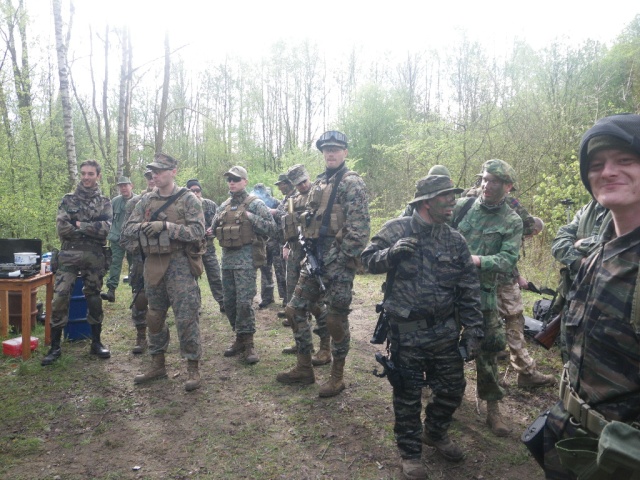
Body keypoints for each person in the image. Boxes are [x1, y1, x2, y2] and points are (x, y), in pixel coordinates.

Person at [362, 175, 484, 480]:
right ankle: (411, 453)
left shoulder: (455, 239)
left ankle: (435, 431)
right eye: (446, 196)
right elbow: (364, 261)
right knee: (408, 394)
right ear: (427, 201)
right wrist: (390, 255)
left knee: (453, 388)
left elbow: (469, 288)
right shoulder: (396, 229)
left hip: (444, 331)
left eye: (453, 196)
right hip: (407, 332)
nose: (452, 202)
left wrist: (473, 329)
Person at [542, 114, 640, 479]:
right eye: (596, 165)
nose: (608, 171)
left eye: (626, 160)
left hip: (624, 458)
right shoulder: (596, 256)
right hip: (575, 442)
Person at [276, 130, 370, 398]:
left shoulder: (352, 183)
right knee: (294, 310)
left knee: (335, 320)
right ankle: (304, 367)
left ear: (345, 152)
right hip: (313, 259)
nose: (330, 153)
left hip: (337, 264)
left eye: (336, 149)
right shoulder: (319, 183)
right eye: (326, 149)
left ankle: (336, 377)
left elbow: (360, 228)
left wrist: (342, 260)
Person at [122, 153, 206, 392]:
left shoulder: (188, 199)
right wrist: (144, 227)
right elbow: (127, 229)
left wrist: (168, 226)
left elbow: (198, 232)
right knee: (154, 316)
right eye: (153, 172)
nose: (155, 175)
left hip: (179, 263)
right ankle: (157, 364)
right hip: (154, 263)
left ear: (173, 172)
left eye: (160, 171)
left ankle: (192, 366)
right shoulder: (146, 201)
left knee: (186, 317)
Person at [452, 159, 523, 436]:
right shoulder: (463, 208)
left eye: (494, 181)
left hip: (484, 295)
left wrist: (478, 260)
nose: (486, 185)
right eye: (484, 179)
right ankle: (450, 397)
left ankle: (493, 409)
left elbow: (507, 260)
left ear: (508, 186)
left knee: (489, 349)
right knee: (446, 345)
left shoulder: (511, 220)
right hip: (450, 291)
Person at [42, 160, 113, 366]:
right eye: (83, 173)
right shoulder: (68, 200)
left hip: (94, 256)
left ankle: (96, 342)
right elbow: (62, 229)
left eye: (91, 173)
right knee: (60, 298)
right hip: (68, 256)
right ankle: (55, 347)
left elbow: (106, 228)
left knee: (94, 298)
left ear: (98, 176)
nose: (86, 177)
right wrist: (91, 226)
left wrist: (79, 224)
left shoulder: (104, 202)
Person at [213, 166, 277, 364]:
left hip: (247, 261)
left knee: (244, 303)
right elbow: (214, 227)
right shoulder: (223, 206)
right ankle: (239, 337)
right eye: (229, 179)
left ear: (245, 181)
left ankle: (248, 343)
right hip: (227, 261)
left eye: (236, 178)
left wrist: (251, 218)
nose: (232, 182)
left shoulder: (255, 204)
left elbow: (272, 228)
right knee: (229, 304)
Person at [279, 164, 330, 364]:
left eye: (304, 182)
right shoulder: (292, 201)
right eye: (297, 184)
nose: (302, 186)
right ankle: (302, 342)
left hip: (313, 257)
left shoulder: (319, 196)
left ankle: (325, 347)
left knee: (317, 303)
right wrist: (286, 245)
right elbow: (290, 225)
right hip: (294, 256)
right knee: (295, 302)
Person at [550, 199, 610, 361]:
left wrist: (580, 243)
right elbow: (559, 243)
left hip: (609, 305)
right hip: (574, 296)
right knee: (569, 353)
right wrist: (580, 262)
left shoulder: (629, 207)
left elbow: (616, 246)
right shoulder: (588, 209)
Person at [120, 169, 155, 354]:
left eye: (155, 176)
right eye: (149, 177)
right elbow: (125, 233)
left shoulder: (174, 200)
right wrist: (139, 249)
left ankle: (160, 336)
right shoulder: (135, 203)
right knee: (140, 297)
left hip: (166, 259)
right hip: (141, 259)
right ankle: (141, 336)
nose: (152, 180)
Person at [187, 178, 225, 313]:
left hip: (208, 247)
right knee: (192, 278)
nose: (196, 193)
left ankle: (222, 302)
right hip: (192, 249)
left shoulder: (210, 205)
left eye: (198, 190)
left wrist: (212, 231)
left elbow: (220, 222)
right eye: (192, 191)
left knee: (215, 275)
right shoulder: (185, 205)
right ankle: (195, 306)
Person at [100, 176, 135, 303]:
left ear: (131, 186)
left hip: (133, 239)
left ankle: (135, 293)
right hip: (117, 238)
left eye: (125, 185)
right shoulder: (114, 201)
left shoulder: (139, 200)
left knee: (134, 265)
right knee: (115, 263)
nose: (123, 188)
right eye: (121, 186)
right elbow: (108, 218)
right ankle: (111, 291)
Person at [251, 183, 281, 309]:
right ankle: (267, 297)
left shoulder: (275, 202)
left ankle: (285, 298)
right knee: (265, 269)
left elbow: (283, 217)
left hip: (276, 240)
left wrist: (274, 212)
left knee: (280, 270)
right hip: (262, 242)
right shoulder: (254, 205)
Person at [273, 173, 296, 319]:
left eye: (281, 184)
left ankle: (294, 309)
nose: (280, 187)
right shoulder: (286, 198)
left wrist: (275, 211)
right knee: (287, 275)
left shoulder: (294, 197)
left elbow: (290, 215)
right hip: (285, 240)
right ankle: (289, 306)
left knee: (294, 276)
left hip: (294, 241)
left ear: (288, 183)